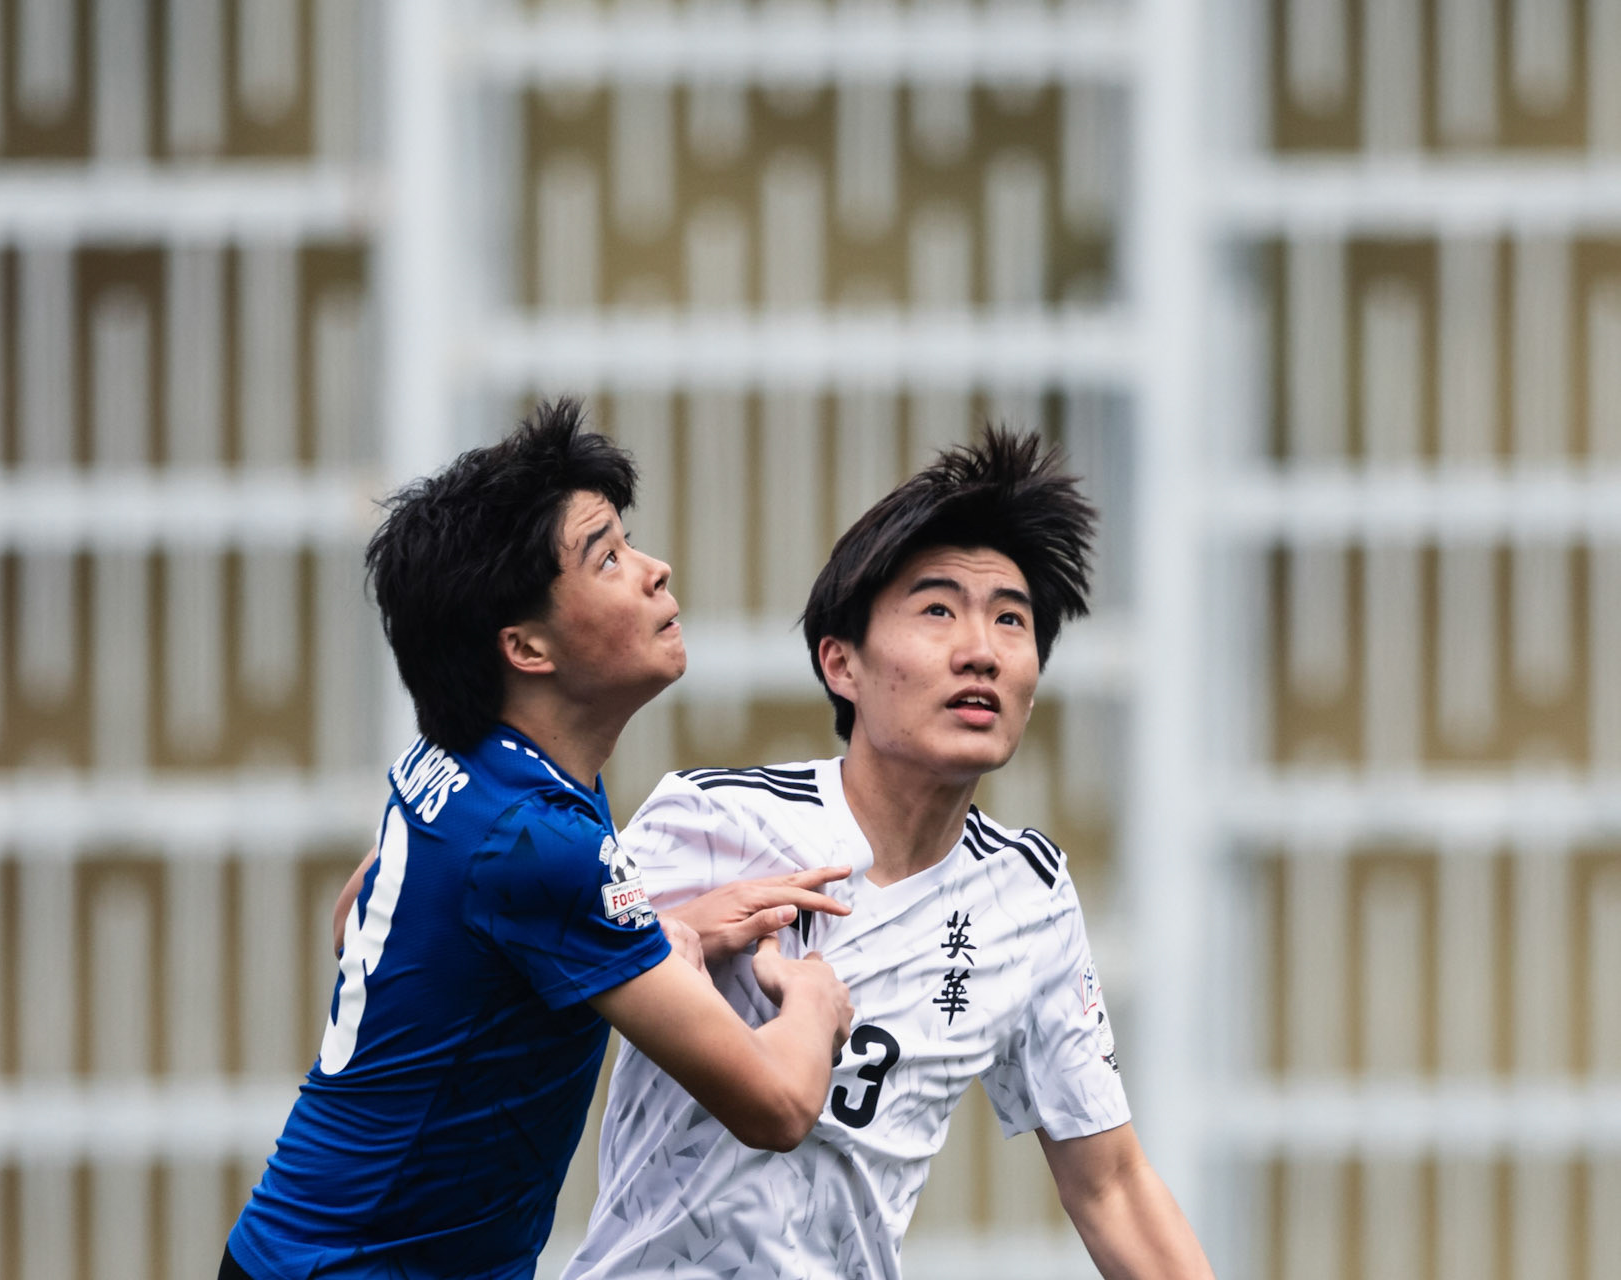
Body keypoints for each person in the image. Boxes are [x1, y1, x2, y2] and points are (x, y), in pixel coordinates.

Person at [564, 425, 1216, 1280]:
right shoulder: (714, 819)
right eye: (938, 610)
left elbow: (1113, 1187)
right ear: (843, 664)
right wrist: (674, 928)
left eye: (1011, 620)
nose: (980, 649)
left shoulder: (1028, 895)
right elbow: (475, 930)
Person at [224, 398, 853, 1280]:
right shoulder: (537, 840)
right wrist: (816, 1000)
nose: (655, 570)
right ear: (524, 647)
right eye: (607, 557)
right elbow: (779, 1107)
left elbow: (360, 915)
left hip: (293, 1251)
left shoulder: (457, 761)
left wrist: (656, 936)